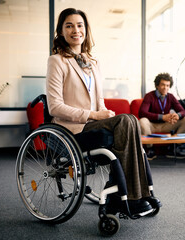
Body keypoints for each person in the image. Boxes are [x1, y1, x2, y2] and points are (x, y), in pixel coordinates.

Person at [46, 8, 160, 214]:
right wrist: (94, 115)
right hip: (73, 130)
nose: (75, 30)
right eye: (69, 26)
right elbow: (55, 107)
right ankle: (127, 197)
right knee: (127, 121)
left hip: (94, 123)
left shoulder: (92, 62)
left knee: (130, 120)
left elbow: (98, 101)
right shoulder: (57, 61)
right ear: (61, 32)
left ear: (86, 30)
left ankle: (135, 194)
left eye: (80, 25)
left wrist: (104, 113)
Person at [139, 73, 185, 160]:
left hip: (166, 125)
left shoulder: (170, 97)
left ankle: (174, 148)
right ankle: (150, 150)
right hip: (152, 126)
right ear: (157, 85)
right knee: (143, 121)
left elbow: (183, 112)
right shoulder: (149, 96)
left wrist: (177, 115)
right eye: (163, 85)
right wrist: (161, 117)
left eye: (167, 85)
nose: (165, 88)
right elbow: (142, 113)